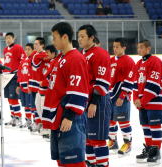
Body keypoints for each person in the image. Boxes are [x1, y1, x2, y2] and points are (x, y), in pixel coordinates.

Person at [42, 22, 89, 167]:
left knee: (73, 160)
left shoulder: (75, 58)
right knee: (62, 159)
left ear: (64, 37)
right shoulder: (60, 59)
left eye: (54, 37)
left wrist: (69, 116)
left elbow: (78, 89)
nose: (52, 41)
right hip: (58, 117)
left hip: (69, 118)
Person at [78, 24, 111, 167]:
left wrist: (94, 102)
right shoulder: (83, 54)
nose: (79, 39)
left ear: (91, 37)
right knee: (87, 138)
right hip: (86, 101)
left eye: (83, 36)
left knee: (97, 139)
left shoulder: (100, 53)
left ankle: (102, 165)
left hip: (98, 101)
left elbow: (102, 81)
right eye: (78, 36)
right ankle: (91, 162)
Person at [133, 40, 162, 164]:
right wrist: (135, 99)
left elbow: (154, 84)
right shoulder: (138, 63)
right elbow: (135, 83)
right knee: (145, 126)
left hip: (154, 101)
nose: (139, 49)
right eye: (138, 47)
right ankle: (150, 149)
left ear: (148, 48)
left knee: (154, 126)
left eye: (141, 47)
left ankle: (156, 151)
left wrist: (143, 100)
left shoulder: (155, 61)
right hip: (142, 103)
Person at [108, 38, 135, 155]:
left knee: (123, 121)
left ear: (124, 47)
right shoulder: (110, 60)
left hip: (121, 97)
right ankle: (113, 142)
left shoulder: (129, 61)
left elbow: (130, 80)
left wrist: (122, 96)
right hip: (110, 96)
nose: (115, 49)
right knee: (110, 121)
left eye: (117, 47)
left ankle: (128, 143)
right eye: (114, 47)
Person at [3, 32, 26, 127]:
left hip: (14, 75)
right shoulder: (5, 50)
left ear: (13, 38)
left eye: (9, 38)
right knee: (9, 98)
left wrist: (18, 72)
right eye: (6, 38)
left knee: (13, 98)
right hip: (6, 75)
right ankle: (13, 117)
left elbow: (23, 59)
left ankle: (18, 117)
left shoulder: (18, 48)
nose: (7, 40)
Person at [29, 37, 48, 133]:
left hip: (40, 84)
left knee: (41, 105)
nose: (34, 45)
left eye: (37, 44)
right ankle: (37, 121)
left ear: (42, 45)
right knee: (35, 105)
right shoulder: (34, 54)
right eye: (34, 44)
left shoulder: (44, 54)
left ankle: (42, 123)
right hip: (33, 83)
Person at [16, 43, 34, 129]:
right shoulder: (23, 60)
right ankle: (28, 120)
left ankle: (35, 122)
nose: (26, 51)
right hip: (23, 86)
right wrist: (18, 85)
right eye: (25, 49)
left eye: (28, 49)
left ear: (33, 50)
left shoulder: (34, 60)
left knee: (32, 105)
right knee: (26, 105)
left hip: (30, 86)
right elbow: (19, 73)